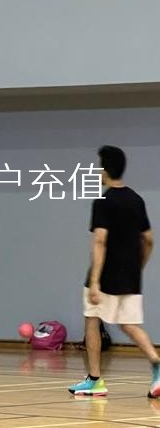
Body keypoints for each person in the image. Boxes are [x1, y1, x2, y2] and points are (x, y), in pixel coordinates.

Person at [69, 146, 160, 397]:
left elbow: (100, 241)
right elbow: (149, 240)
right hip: (130, 275)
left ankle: (95, 380)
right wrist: (139, 267)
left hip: (106, 275)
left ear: (105, 170)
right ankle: (157, 363)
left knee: (92, 319)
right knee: (129, 324)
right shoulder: (136, 200)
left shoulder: (103, 202)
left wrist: (95, 281)